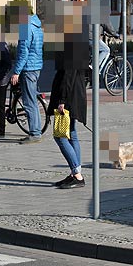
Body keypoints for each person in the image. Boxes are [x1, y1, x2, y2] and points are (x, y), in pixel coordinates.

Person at [47, 12, 89, 189]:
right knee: (72, 134)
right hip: (77, 93)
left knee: (60, 135)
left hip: (68, 96)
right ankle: (75, 174)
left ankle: (77, 173)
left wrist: (62, 100)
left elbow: (67, 75)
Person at [10, 4, 44, 144]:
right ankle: (35, 130)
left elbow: (23, 52)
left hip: (28, 68)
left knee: (29, 102)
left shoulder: (25, 27)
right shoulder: (37, 26)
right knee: (33, 101)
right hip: (36, 66)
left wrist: (16, 72)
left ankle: (35, 133)